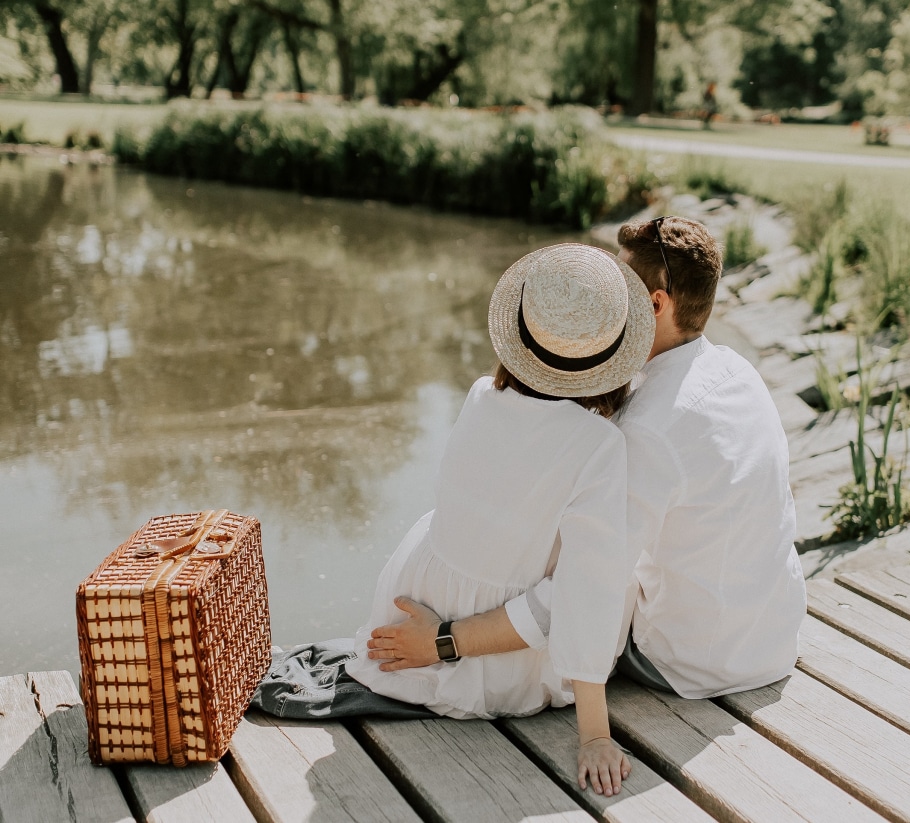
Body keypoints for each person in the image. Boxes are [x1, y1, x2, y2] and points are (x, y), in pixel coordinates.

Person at [252, 243, 655, 797]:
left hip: (411, 606)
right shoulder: (599, 445)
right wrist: (594, 735)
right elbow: (586, 593)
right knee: (620, 575)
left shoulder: (481, 396)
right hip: (493, 668)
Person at [366, 216, 806, 701]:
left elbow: (579, 592)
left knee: (567, 556)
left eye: (618, 288)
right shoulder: (738, 373)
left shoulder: (644, 431)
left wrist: (443, 642)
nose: (603, 297)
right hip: (774, 639)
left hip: (691, 663)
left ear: (656, 305)